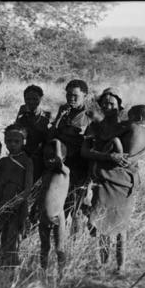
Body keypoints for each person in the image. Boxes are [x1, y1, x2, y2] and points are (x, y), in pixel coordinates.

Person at [81, 88, 145, 273]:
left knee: (121, 227)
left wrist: (129, 158)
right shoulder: (93, 126)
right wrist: (107, 157)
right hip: (103, 180)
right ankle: (102, 265)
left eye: (112, 103)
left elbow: (137, 151)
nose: (107, 106)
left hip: (123, 181)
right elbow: (85, 151)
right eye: (104, 103)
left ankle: (120, 267)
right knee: (101, 223)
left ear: (120, 106)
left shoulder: (128, 126)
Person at [48, 79, 93, 235]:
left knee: (76, 207)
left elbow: (92, 144)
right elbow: (51, 135)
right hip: (60, 162)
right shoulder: (64, 109)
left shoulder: (90, 115)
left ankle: (75, 241)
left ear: (85, 95)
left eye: (75, 96)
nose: (71, 98)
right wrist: (59, 117)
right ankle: (58, 236)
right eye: (68, 95)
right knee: (58, 203)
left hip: (79, 165)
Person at [0, 124, 33, 266]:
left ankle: (12, 265)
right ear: (4, 140)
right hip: (2, 204)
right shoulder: (3, 161)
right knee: (2, 234)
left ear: (24, 141)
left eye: (17, 141)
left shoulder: (27, 161)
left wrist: (15, 203)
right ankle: (2, 263)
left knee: (14, 235)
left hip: (18, 205)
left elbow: (28, 188)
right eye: (9, 141)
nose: (12, 144)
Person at [31, 139, 70, 273]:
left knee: (59, 248)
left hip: (58, 217)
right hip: (43, 216)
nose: (48, 160)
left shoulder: (64, 172)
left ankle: (61, 274)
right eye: (46, 157)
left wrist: (57, 142)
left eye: (52, 157)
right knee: (44, 247)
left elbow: (58, 161)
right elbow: (42, 192)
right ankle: (44, 272)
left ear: (62, 157)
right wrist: (34, 208)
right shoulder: (46, 174)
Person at [15, 85, 51, 182]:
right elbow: (15, 133)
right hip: (24, 154)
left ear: (41, 98)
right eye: (28, 99)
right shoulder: (22, 115)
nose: (31, 102)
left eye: (35, 99)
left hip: (40, 156)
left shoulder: (47, 116)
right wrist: (19, 116)